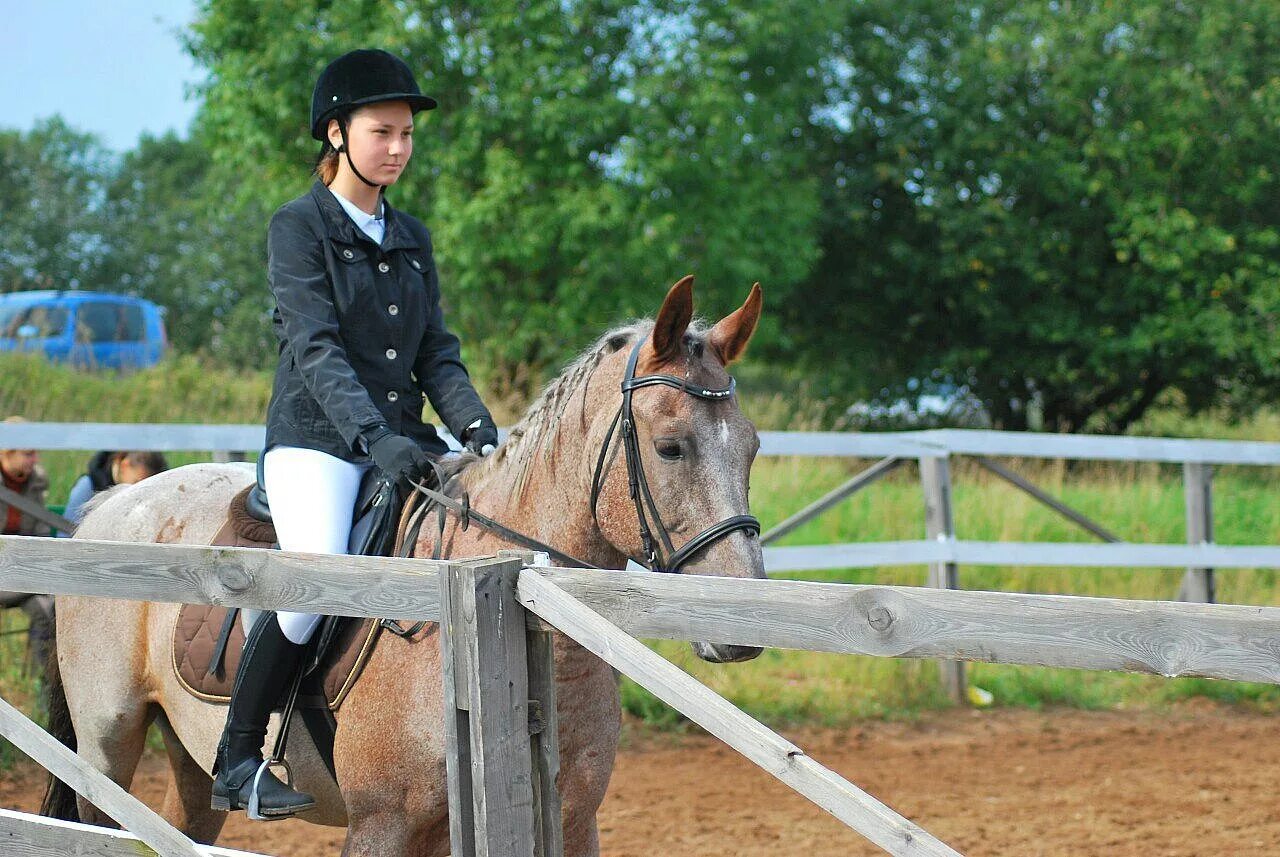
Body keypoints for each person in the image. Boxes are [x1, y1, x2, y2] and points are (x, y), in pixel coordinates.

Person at [210, 48, 499, 819]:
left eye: (407, 133)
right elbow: (316, 348)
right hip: (316, 442)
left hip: (401, 434)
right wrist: (375, 436)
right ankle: (237, 756)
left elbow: (437, 350)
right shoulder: (297, 227)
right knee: (315, 583)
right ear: (337, 132)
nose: (399, 147)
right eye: (383, 131)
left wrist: (472, 421)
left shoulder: (412, 236)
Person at [0, 417, 55, 666]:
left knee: (48, 609)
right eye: (28, 454)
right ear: (6, 452)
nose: (35, 460)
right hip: (15, 572)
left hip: (23, 571)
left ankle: (47, 686)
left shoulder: (36, 482)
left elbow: (41, 534)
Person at [64, 450, 170, 524]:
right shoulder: (87, 486)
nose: (140, 489)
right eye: (136, 482)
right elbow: (66, 532)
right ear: (125, 465)